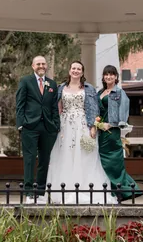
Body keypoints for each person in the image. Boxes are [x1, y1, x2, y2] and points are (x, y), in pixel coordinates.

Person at [46, 61, 116, 204]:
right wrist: (57, 127)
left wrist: (93, 126)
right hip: (65, 125)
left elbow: (94, 108)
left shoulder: (88, 88)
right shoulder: (61, 88)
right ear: (70, 70)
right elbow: (56, 108)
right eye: (74, 68)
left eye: (79, 69)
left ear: (82, 72)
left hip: (83, 123)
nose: (76, 71)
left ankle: (85, 188)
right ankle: (65, 189)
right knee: (65, 155)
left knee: (85, 154)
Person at [15, 56, 60, 202]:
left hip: (48, 127)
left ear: (46, 66)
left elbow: (54, 107)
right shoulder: (25, 81)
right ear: (33, 66)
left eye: (43, 64)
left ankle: (40, 192)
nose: (41, 66)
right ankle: (28, 192)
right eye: (38, 64)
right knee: (29, 158)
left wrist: (56, 125)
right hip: (30, 126)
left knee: (44, 159)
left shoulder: (52, 84)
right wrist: (21, 123)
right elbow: (20, 103)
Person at [98, 65, 141, 201]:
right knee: (101, 162)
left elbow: (123, 113)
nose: (109, 77)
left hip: (112, 132)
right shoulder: (100, 92)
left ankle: (123, 191)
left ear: (116, 77)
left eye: (112, 74)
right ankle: (110, 191)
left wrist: (111, 124)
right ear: (103, 77)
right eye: (106, 74)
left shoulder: (119, 93)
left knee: (113, 162)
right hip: (100, 131)